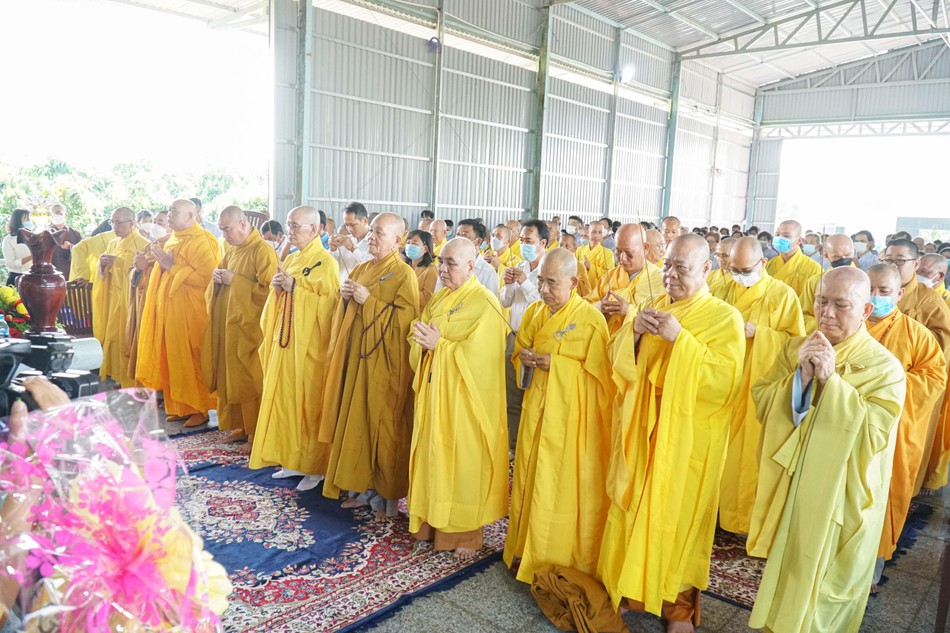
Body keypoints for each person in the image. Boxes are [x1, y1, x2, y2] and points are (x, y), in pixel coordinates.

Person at [598, 234, 745, 631]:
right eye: (667, 265)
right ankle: (627, 591)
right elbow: (618, 362)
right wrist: (633, 332)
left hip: (687, 441)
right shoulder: (654, 305)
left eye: (682, 268)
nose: (671, 275)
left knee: (679, 522)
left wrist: (681, 340)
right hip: (643, 431)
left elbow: (724, 383)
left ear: (706, 269)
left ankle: (677, 609)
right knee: (632, 508)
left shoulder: (724, 318)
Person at [747, 267, 905, 633]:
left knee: (827, 588)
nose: (827, 313)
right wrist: (800, 378)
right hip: (796, 486)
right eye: (821, 302)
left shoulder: (885, 368)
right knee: (790, 568)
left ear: (866, 310)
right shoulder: (796, 348)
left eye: (841, 305)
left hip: (842, 495)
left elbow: (874, 432)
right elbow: (762, 398)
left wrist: (831, 382)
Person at [504, 249, 612, 583]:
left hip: (570, 420)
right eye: (541, 281)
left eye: (552, 282)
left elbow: (601, 379)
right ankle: (524, 549)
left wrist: (558, 365)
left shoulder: (591, 320)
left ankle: (558, 558)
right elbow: (518, 352)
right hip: (536, 410)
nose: (544, 289)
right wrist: (525, 358)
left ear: (574, 282)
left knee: (559, 487)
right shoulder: (535, 311)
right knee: (528, 477)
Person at [407, 238, 509, 560]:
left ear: (470, 266)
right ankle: (429, 524)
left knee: (462, 463)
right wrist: (423, 342)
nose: (443, 268)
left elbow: (483, 358)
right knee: (432, 456)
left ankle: (465, 534)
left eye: (451, 263)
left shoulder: (485, 302)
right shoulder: (440, 297)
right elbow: (418, 331)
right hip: (434, 393)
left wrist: (440, 346)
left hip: (465, 401)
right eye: (441, 261)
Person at [320, 213, 419, 518]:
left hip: (385, 366)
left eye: (379, 233)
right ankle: (360, 490)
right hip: (358, 359)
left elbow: (405, 322)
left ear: (397, 241)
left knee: (384, 429)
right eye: (372, 231)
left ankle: (386, 500)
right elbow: (349, 308)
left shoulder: (404, 274)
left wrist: (369, 301)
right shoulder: (363, 267)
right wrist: (346, 298)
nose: (372, 238)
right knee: (356, 422)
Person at [864, 264, 946, 589]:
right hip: (847, 428)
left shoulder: (916, 334)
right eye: (870, 290)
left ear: (899, 293)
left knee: (883, 500)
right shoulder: (844, 326)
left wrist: (888, 384)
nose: (875, 297)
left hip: (893, 434)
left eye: (884, 291)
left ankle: (870, 571)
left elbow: (934, 379)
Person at [718, 237, 805, 535]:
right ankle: (714, 514)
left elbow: (795, 345)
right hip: (723, 382)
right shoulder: (721, 289)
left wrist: (761, 333)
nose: (739, 276)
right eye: (734, 269)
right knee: (720, 451)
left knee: (749, 456)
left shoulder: (783, 295)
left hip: (759, 386)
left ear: (763, 263)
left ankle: (745, 521)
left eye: (746, 270)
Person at [250, 206, 340, 491]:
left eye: (295, 226)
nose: (289, 231)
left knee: (307, 405)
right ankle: (290, 460)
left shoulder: (326, 263)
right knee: (285, 400)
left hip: (310, 349)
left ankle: (314, 467)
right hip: (286, 343)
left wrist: (296, 289)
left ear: (314, 229)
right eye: (288, 225)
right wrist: (279, 289)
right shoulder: (290, 258)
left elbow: (330, 308)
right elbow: (278, 301)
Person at [136, 199, 219, 428]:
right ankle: (181, 407)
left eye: (175, 212)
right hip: (170, 310)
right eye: (170, 211)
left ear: (191, 216)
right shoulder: (173, 238)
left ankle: (200, 409)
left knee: (192, 358)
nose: (170, 215)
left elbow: (206, 278)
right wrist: (152, 266)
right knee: (173, 357)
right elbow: (162, 271)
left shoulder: (203, 240)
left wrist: (171, 266)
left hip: (192, 311)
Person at [205, 206, 279, 453]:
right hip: (231, 325)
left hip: (251, 329)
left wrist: (234, 281)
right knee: (232, 375)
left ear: (244, 224)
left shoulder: (262, 251)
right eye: (222, 229)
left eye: (227, 229)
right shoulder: (233, 250)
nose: (224, 235)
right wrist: (217, 278)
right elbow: (221, 279)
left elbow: (269, 293)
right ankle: (240, 427)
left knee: (250, 379)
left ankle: (255, 433)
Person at [883, 239, 950, 490]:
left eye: (900, 260)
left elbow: (942, 348)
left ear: (916, 263)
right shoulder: (873, 290)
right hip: (870, 381)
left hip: (909, 386)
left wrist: (903, 338)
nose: (893, 265)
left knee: (903, 447)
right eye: (888, 260)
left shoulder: (930, 300)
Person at [500, 220, 548, 452]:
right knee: (512, 396)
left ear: (543, 243)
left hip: (536, 341)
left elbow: (544, 303)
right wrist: (509, 284)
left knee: (534, 397)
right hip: (514, 337)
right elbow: (505, 302)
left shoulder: (548, 270)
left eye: (528, 241)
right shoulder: (520, 265)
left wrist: (525, 282)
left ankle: (530, 447)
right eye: (521, 240)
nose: (523, 245)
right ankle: (512, 446)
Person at [96, 207, 149, 388]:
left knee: (129, 338)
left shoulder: (143, 244)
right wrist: (102, 266)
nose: (114, 226)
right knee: (113, 337)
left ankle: (132, 380)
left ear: (132, 223)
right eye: (112, 222)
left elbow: (143, 275)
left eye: (118, 222)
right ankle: (117, 377)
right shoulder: (112, 243)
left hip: (131, 301)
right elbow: (103, 275)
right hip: (114, 299)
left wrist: (118, 263)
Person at [585, 224, 662, 335]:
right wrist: (599, 306)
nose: (622, 258)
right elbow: (584, 306)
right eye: (618, 252)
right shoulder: (610, 276)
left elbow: (660, 323)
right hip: (605, 340)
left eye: (629, 253)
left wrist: (629, 311)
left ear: (645, 248)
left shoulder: (660, 280)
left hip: (635, 344)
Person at [799, 234, 855, 332]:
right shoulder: (815, 281)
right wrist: (826, 325)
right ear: (826, 256)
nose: (843, 259)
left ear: (853, 252)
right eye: (836, 257)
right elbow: (802, 316)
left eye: (847, 255)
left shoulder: (863, 281)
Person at [434, 219, 499, 297]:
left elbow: (488, 300)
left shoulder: (487, 272)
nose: (459, 239)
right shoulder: (445, 265)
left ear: (478, 241)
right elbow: (438, 292)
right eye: (458, 235)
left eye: (465, 236)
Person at [764, 220, 823, 298]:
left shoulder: (814, 269)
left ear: (799, 240)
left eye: (786, 236)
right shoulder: (769, 265)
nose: (780, 238)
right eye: (777, 234)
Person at [329, 202, 372, 282]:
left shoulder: (374, 241)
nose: (350, 229)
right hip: (341, 288)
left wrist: (353, 248)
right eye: (347, 225)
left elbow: (371, 267)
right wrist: (333, 250)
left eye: (353, 225)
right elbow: (331, 266)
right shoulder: (345, 240)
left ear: (365, 220)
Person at [404, 229, 438, 311]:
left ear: (425, 249)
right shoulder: (404, 265)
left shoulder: (431, 270)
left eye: (414, 243)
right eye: (408, 243)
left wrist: (404, 289)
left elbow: (427, 299)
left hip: (417, 312)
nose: (409, 246)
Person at [576, 220, 615, 290]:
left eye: (600, 232)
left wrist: (590, 266)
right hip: (579, 289)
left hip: (597, 291)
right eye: (594, 232)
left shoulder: (608, 253)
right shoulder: (579, 250)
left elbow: (609, 275)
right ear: (588, 233)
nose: (596, 235)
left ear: (602, 234)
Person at [48, 203, 82, 277]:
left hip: (71, 274)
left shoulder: (75, 233)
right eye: (53, 214)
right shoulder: (46, 233)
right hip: (51, 276)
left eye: (58, 213)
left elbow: (82, 252)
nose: (56, 216)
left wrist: (71, 246)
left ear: (65, 214)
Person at [2, 209, 32, 285]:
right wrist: (31, 256)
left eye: (29, 219)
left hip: (33, 277)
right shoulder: (8, 240)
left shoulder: (33, 237)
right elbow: (10, 263)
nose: (29, 221)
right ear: (17, 221)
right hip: (16, 278)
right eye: (26, 219)